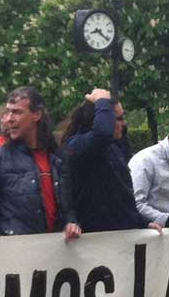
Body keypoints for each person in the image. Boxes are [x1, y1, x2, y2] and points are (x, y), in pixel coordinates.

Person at [0, 87, 80, 239]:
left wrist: (71, 224)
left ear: (36, 115)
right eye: (7, 112)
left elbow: (68, 209)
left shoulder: (56, 158)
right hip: (16, 257)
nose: (9, 118)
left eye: (17, 112)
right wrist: (6, 248)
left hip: (56, 254)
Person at [61, 87, 158, 233]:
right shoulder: (78, 145)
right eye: (118, 118)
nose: (124, 124)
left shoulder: (114, 149)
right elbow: (102, 134)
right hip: (95, 240)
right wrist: (102, 101)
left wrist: (141, 222)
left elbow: (120, 197)